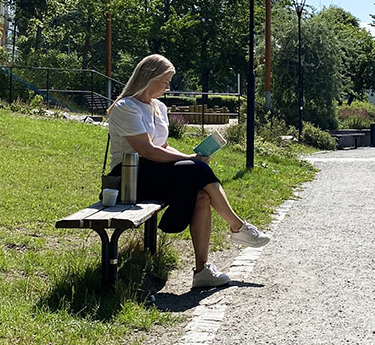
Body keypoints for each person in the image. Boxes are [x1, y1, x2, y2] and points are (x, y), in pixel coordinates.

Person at [106, 54, 270, 288]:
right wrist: (192, 160)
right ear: (150, 78)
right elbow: (147, 150)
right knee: (197, 170)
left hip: (156, 172)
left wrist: (194, 157)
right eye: (165, 81)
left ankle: (202, 270)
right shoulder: (126, 107)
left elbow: (162, 147)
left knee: (201, 192)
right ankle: (237, 227)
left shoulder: (158, 107)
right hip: (130, 176)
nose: (168, 87)